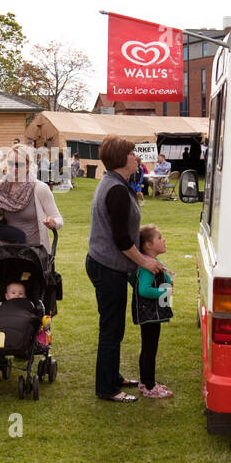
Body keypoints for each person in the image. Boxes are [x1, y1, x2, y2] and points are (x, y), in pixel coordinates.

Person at [84, 136, 164, 403]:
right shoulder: (115, 189)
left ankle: (113, 377)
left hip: (109, 265)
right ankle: (107, 388)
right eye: (132, 153)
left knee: (114, 327)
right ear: (121, 158)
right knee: (111, 327)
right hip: (107, 267)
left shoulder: (119, 184)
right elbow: (121, 240)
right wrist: (145, 261)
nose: (136, 156)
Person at [0, 145, 64, 254]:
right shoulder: (1, 187)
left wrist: (53, 222)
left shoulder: (39, 188)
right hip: (4, 252)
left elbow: (59, 219)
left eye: (19, 165)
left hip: (32, 253)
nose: (14, 168)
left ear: (28, 165)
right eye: (10, 164)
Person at [132, 225, 174, 398]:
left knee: (149, 348)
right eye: (159, 238)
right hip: (149, 316)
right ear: (148, 245)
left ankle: (145, 382)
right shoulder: (147, 268)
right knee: (150, 349)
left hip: (152, 316)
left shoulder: (153, 263)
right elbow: (143, 290)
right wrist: (164, 292)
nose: (163, 240)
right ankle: (149, 387)